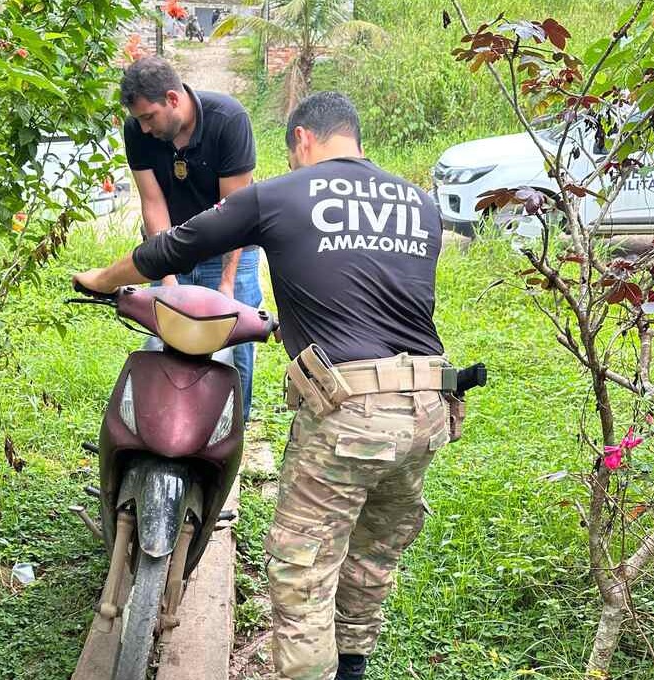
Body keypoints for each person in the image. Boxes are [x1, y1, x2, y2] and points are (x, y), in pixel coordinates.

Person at [75, 92, 454, 680]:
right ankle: (352, 668)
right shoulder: (420, 203)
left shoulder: (282, 193)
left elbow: (176, 245)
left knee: (303, 573)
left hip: (350, 411)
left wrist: (102, 279)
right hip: (429, 404)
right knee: (371, 559)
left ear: (302, 138)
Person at [119, 56, 261, 423]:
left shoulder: (228, 120)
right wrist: (167, 279)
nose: (144, 128)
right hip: (172, 250)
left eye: (149, 117)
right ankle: (169, 432)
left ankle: (232, 435)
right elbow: (153, 202)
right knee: (165, 343)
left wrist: (227, 283)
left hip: (230, 250)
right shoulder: (137, 130)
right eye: (139, 120)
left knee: (235, 349)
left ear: (173, 98)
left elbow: (235, 213)